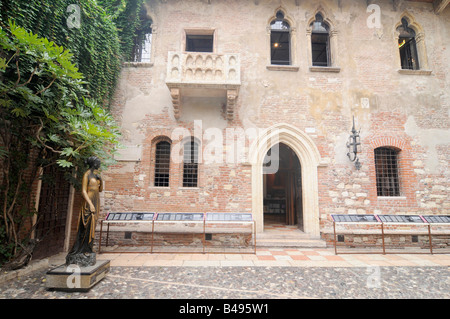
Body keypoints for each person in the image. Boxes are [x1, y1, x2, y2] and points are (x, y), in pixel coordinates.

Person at [65, 156, 103, 267]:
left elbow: (100, 190)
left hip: (96, 201)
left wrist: (100, 180)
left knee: (93, 225)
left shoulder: (96, 175)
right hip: (89, 202)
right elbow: (83, 191)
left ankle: (88, 248)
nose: (99, 164)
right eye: (98, 162)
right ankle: (81, 249)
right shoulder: (87, 174)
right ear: (94, 163)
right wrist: (90, 204)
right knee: (86, 225)